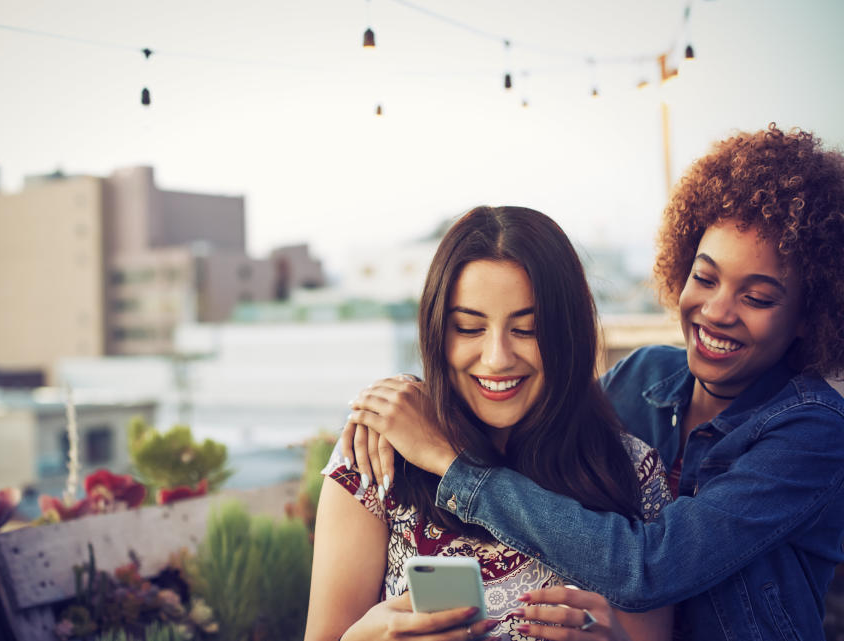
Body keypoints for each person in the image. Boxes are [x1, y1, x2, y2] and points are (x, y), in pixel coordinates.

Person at [344, 124, 844, 641]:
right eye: (705, 277)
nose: (716, 312)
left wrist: (450, 464)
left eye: (757, 297)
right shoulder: (646, 374)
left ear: (812, 312)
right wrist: (411, 400)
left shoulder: (815, 432)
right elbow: (531, 400)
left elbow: (648, 568)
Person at [305, 206, 674, 641]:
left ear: (568, 334)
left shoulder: (632, 472)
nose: (497, 358)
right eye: (469, 328)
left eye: (528, 329)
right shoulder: (376, 460)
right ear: (436, 332)